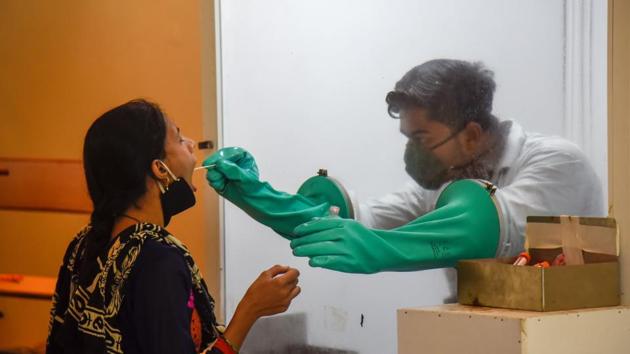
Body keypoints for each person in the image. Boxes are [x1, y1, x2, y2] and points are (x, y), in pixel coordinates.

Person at [202, 59, 605, 274]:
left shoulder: (556, 162)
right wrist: (257, 195)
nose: (412, 153)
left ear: (470, 134)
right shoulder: (447, 180)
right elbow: (353, 222)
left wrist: (380, 250)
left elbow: (492, 230)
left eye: (421, 139)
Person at [46, 99, 301, 354]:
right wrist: (250, 310)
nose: (191, 144)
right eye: (179, 139)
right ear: (160, 168)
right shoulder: (157, 261)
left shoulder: (85, 244)